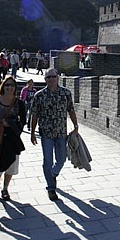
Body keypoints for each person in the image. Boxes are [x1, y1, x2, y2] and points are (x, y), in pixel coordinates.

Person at [30, 68, 79, 201]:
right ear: (45, 79)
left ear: (58, 77)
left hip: (61, 133)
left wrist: (76, 125)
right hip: (46, 133)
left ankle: (53, 174)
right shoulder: (39, 96)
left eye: (53, 76)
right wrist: (32, 132)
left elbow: (71, 110)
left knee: (61, 160)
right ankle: (51, 188)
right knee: (47, 161)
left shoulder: (66, 93)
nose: (51, 79)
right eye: (48, 77)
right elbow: (34, 114)